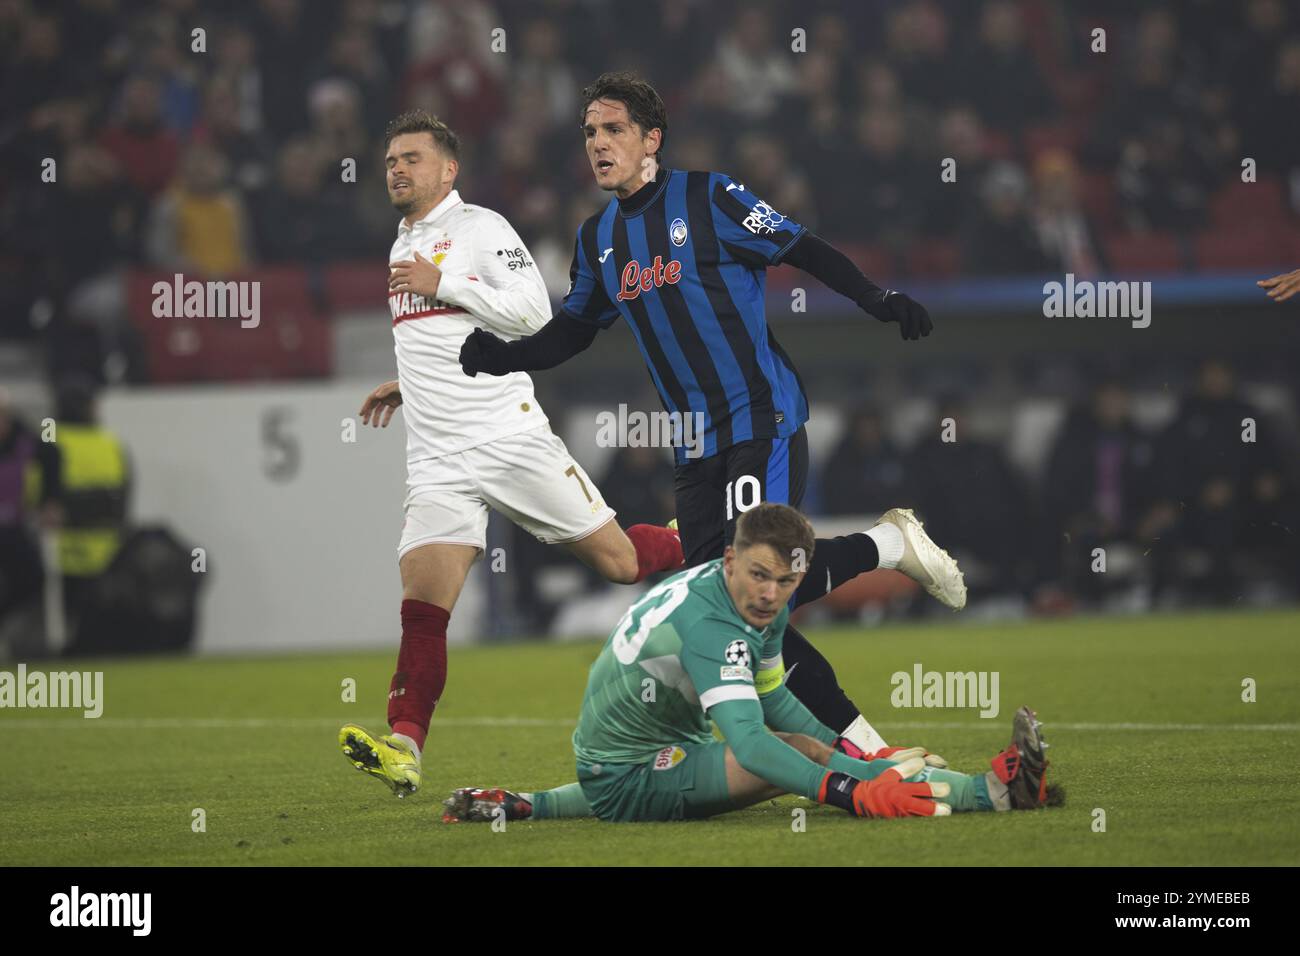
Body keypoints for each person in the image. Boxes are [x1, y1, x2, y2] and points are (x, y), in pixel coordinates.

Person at [458, 72, 965, 759]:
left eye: (614, 130)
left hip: (762, 420)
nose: (599, 144)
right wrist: (501, 356)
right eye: (589, 133)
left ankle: (871, 739)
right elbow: (573, 331)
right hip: (695, 445)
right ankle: (887, 559)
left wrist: (877, 298)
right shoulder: (597, 239)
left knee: (756, 588)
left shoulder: (710, 197)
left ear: (650, 140)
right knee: (727, 611)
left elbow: (800, 245)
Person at [339, 110, 685, 798]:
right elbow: (446, 340)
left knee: (619, 563)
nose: (398, 171)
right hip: (437, 456)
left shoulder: (481, 230)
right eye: (389, 162)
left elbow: (533, 313)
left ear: (448, 169)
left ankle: (701, 538)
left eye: (412, 158)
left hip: (507, 438)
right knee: (423, 603)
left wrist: (446, 285)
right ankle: (404, 747)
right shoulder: (402, 244)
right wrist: (412, 385)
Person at [443, 504, 1061, 824]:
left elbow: (775, 697)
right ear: (731, 560)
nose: (771, 593)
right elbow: (755, 744)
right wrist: (852, 789)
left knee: (817, 748)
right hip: (630, 773)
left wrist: (863, 758)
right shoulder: (715, 624)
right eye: (760, 575)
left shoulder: (753, 600)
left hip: (638, 759)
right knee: (806, 756)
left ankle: (532, 804)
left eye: (786, 581)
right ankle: (993, 794)